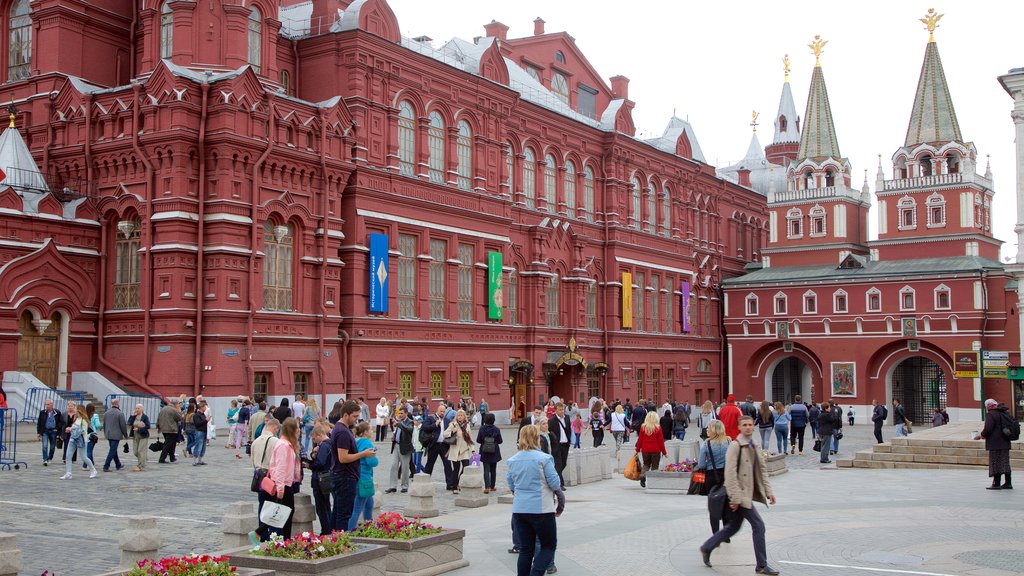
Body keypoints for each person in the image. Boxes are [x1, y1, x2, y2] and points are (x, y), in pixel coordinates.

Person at [699, 416, 778, 575]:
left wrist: (768, 492)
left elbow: (762, 470)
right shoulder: (735, 446)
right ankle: (761, 565)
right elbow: (730, 474)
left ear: (753, 427)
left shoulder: (754, 445)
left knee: (733, 527)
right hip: (740, 495)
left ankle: (707, 547)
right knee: (758, 525)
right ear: (740, 427)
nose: (748, 427)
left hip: (746, 493)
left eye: (750, 425)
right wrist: (735, 499)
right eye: (745, 425)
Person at [507, 425, 562, 576]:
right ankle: (536, 573)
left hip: (520, 509)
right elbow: (555, 484)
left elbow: (511, 484)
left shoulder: (513, 460)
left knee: (526, 549)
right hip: (542, 508)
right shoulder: (544, 459)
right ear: (537, 438)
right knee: (548, 546)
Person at [330, 400, 376, 532]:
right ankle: (341, 541)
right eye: (354, 416)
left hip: (342, 475)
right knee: (344, 514)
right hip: (345, 477)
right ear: (345, 415)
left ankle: (334, 539)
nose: (357, 419)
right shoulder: (343, 432)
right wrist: (363, 454)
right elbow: (343, 458)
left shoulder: (341, 429)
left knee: (338, 512)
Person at [265, 417, 301, 539]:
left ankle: (284, 539)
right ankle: (282, 539)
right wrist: (280, 489)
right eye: (297, 428)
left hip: (287, 483)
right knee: (283, 514)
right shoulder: (283, 445)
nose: (299, 430)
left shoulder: (288, 444)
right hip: (283, 485)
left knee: (284, 513)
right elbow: (280, 468)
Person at [697, 420, 730, 534]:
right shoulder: (729, 441)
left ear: (714, 430)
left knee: (713, 507)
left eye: (708, 428)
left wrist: (708, 463)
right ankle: (726, 535)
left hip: (711, 476)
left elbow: (701, 464)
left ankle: (716, 535)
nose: (706, 430)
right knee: (726, 505)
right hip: (727, 476)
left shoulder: (706, 444)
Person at [250, 417, 280, 541]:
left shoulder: (255, 441)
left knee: (262, 505)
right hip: (270, 477)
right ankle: (271, 534)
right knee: (273, 506)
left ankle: (262, 536)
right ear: (275, 428)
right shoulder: (275, 441)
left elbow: (252, 461)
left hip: (259, 477)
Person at [348, 422, 379, 530]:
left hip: (357, 475)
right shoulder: (367, 443)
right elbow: (372, 462)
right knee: (357, 508)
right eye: (370, 429)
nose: (372, 431)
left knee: (369, 504)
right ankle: (349, 532)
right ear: (365, 432)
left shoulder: (357, 442)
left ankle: (368, 527)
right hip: (364, 478)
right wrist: (376, 458)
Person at [977, 399, 1013, 490]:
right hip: (1005, 442)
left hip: (995, 444)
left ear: (989, 406)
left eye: (987, 407)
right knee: (1005, 463)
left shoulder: (991, 414)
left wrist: (981, 435)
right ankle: (1008, 483)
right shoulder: (1004, 413)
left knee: (995, 463)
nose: (987, 408)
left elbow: (988, 429)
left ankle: (996, 484)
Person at [308, 423, 336, 535]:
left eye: (314, 438)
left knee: (321, 507)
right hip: (328, 477)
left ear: (319, 435)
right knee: (326, 505)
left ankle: (326, 530)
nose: (315, 441)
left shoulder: (324, 445)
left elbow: (320, 463)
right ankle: (329, 528)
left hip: (320, 478)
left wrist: (309, 465)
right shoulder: (331, 443)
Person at [422, 402, 455, 490]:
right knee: (430, 464)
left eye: (444, 412)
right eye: (441, 411)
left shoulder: (447, 420)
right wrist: (435, 424)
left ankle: (450, 484)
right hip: (434, 445)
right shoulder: (431, 418)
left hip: (444, 445)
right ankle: (425, 483)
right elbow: (424, 427)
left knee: (447, 464)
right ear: (437, 410)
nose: (442, 413)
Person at [61, 405, 97, 480]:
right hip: (73, 439)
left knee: (84, 457)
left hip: (81, 440)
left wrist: (71, 429)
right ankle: (68, 473)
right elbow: (74, 428)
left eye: (76, 409)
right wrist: (70, 429)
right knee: (68, 456)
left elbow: (84, 431)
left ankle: (93, 470)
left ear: (79, 410)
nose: (75, 411)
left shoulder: (84, 420)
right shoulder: (76, 418)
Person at [444, 409, 475, 494]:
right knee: (456, 469)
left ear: (464, 417)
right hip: (455, 450)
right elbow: (444, 434)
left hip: (464, 450)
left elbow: (470, 439)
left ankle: (459, 483)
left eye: (461, 415)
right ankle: (455, 487)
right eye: (458, 415)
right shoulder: (453, 424)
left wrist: (473, 450)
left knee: (466, 468)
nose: (460, 417)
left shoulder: (467, 426)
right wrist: (452, 432)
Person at [635, 411, 668, 488]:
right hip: (656, 450)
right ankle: (653, 482)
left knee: (646, 464)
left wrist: (637, 450)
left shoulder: (643, 427)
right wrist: (664, 452)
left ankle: (643, 475)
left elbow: (640, 439)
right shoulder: (658, 428)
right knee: (655, 466)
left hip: (645, 449)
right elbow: (661, 441)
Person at [385, 406, 413, 494]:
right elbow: (398, 432)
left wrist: (399, 424)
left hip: (405, 447)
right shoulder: (399, 422)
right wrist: (394, 436)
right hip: (396, 446)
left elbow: (409, 430)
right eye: (399, 413)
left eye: (401, 413)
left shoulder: (410, 422)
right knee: (393, 466)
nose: (400, 415)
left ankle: (405, 486)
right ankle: (392, 486)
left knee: (405, 467)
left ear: (406, 413)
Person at [476, 412, 503, 493]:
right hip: (494, 451)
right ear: (494, 420)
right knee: (493, 469)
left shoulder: (482, 428)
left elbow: (478, 440)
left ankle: (487, 487)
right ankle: (492, 486)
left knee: (486, 469)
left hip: (484, 451)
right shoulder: (496, 429)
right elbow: (500, 441)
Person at [547, 403, 571, 490]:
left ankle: (554, 477)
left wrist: (569, 441)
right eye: (560, 410)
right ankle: (560, 484)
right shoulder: (552, 420)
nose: (562, 411)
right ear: (556, 410)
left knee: (564, 463)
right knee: (558, 464)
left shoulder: (567, 418)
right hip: (557, 445)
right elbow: (549, 432)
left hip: (565, 444)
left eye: (563, 409)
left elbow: (568, 429)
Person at [102, 398, 128, 472]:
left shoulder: (106, 413)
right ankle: (106, 466)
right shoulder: (120, 413)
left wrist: (105, 433)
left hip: (108, 434)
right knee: (112, 450)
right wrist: (125, 434)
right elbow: (123, 425)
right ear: (118, 404)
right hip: (116, 435)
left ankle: (118, 464)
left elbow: (104, 424)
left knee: (113, 450)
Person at [36, 398, 65, 466]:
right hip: (45, 430)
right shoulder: (42, 412)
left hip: (53, 431)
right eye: (46, 404)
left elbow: (61, 422)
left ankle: (50, 458)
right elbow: (39, 422)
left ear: (52, 404)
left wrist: (57, 429)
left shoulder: (57, 412)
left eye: (48, 404)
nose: (47, 406)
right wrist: (39, 432)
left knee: (52, 446)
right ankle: (45, 459)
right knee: (45, 445)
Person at [157, 399, 183, 464]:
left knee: (171, 444)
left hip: (164, 429)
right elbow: (179, 418)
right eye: (177, 404)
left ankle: (172, 457)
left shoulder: (163, 409)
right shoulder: (174, 410)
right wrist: (179, 411)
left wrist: (158, 426)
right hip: (172, 429)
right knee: (168, 444)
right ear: (176, 404)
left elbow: (158, 418)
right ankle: (162, 458)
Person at [127, 403, 150, 472]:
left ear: (142, 409)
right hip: (135, 435)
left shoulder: (145, 417)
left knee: (140, 450)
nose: (137, 409)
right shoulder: (134, 416)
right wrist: (131, 415)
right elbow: (129, 423)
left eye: (138, 408)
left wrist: (139, 429)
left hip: (143, 435)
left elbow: (148, 426)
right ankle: (143, 458)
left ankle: (140, 465)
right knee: (135, 452)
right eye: (136, 408)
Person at [190, 400, 209, 465]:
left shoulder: (203, 414)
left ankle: (200, 460)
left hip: (204, 431)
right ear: (201, 407)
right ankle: (194, 460)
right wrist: (205, 420)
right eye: (205, 406)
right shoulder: (196, 415)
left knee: (203, 446)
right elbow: (197, 424)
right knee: (198, 446)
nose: (206, 408)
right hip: (199, 432)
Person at [84, 403, 101, 470]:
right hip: (92, 434)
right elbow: (98, 425)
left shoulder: (84, 415)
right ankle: (85, 465)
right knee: (89, 450)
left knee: (88, 449)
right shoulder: (95, 415)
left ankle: (92, 463)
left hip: (85, 434)